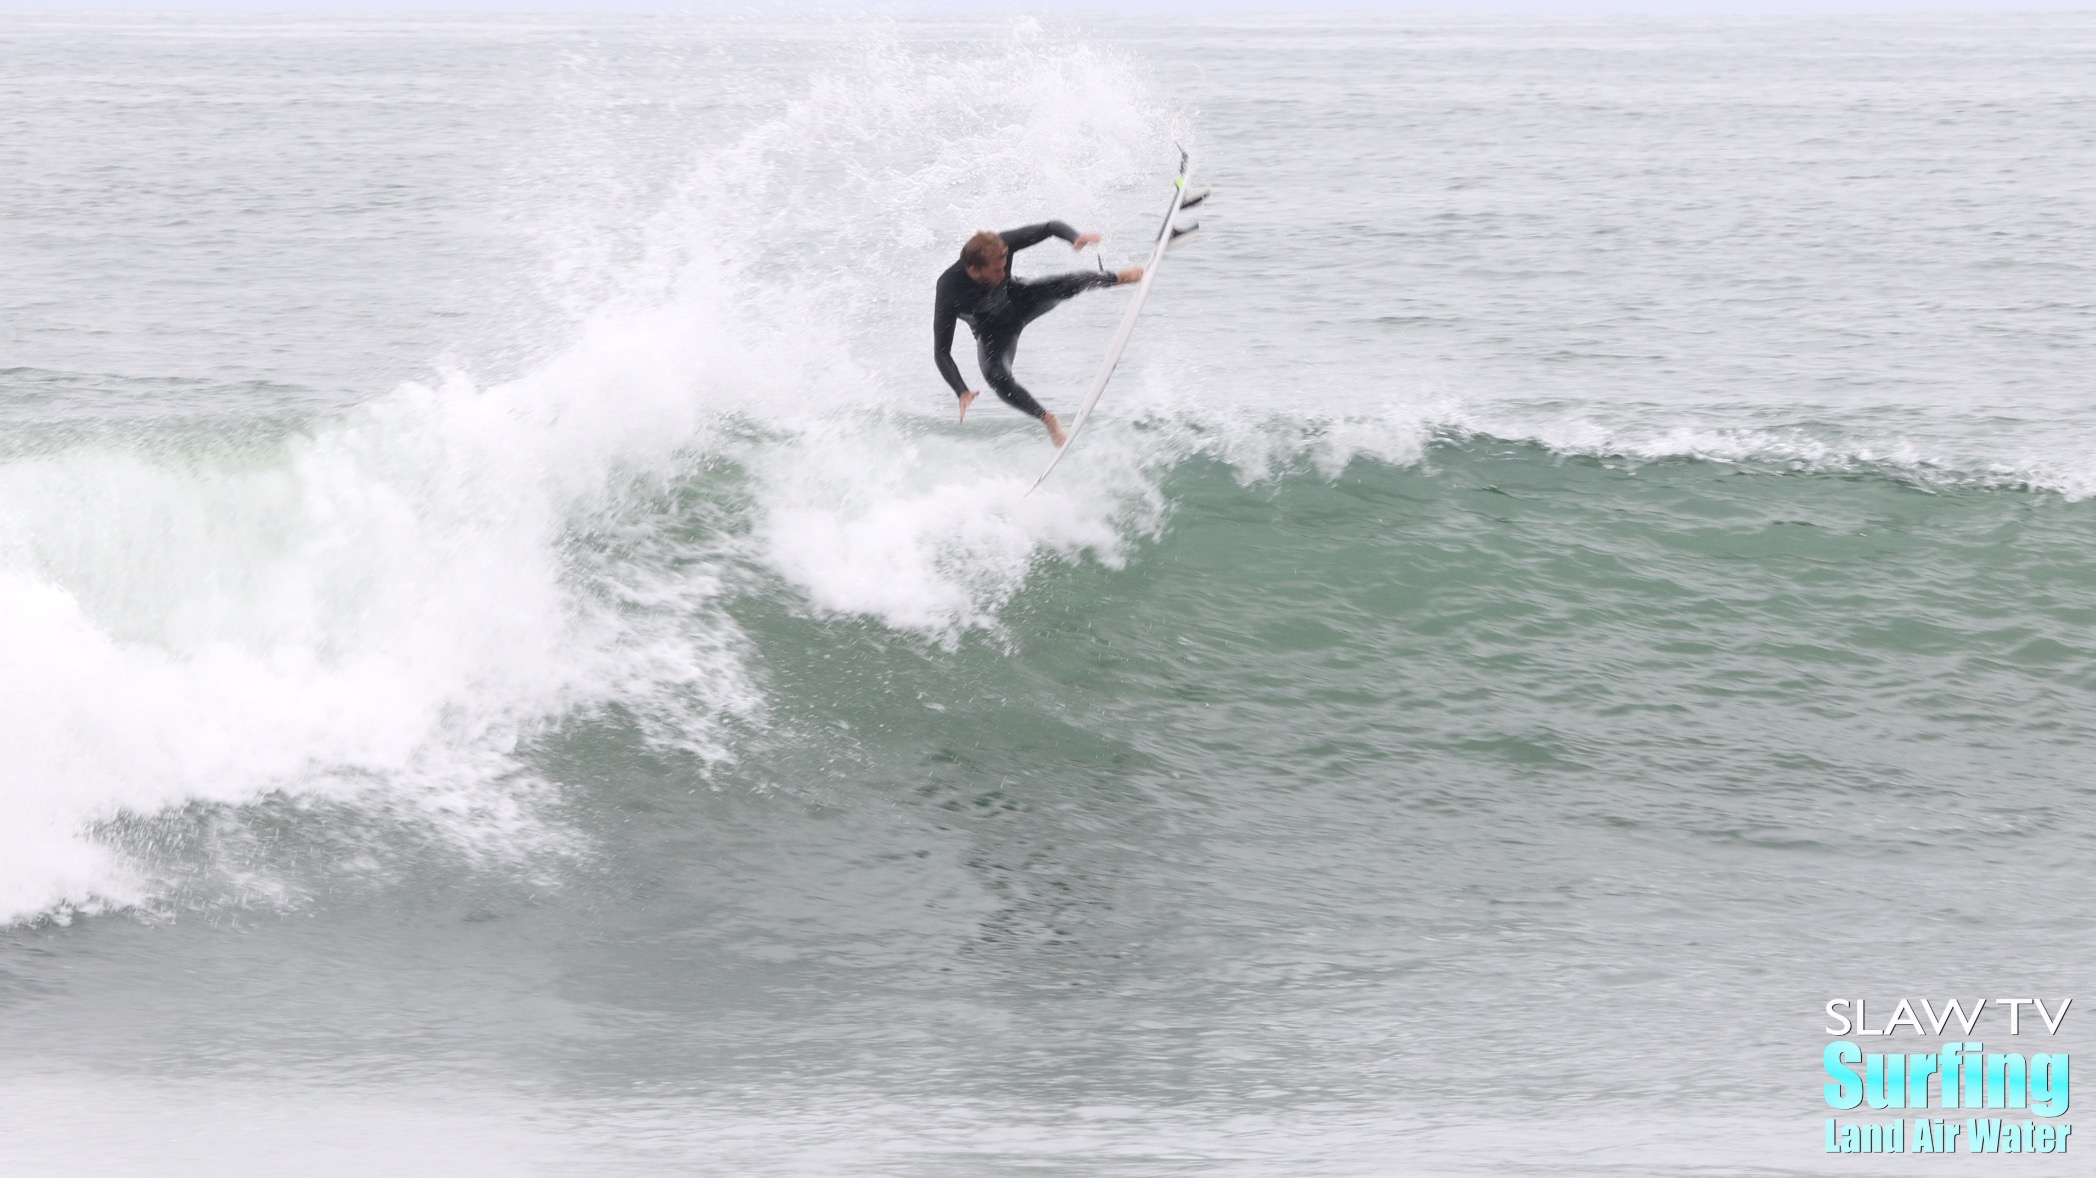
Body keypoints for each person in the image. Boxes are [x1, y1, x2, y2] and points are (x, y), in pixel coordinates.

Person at [933, 222, 1143, 447]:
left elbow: (1048, 228)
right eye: (996, 271)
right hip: (994, 331)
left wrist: (1075, 237)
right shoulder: (948, 289)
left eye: (1004, 267)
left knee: (1066, 283)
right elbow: (942, 353)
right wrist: (961, 391)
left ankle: (1116, 278)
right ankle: (1047, 420)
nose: (1002, 273)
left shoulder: (1000, 243)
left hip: (1021, 298)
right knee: (997, 377)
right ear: (974, 269)